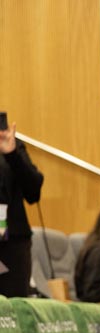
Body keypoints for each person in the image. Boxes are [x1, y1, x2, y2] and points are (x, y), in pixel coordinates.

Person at [0, 117, 45, 298]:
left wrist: (12, 155)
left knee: (14, 305)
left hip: (12, 243)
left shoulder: (10, 142)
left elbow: (33, 193)